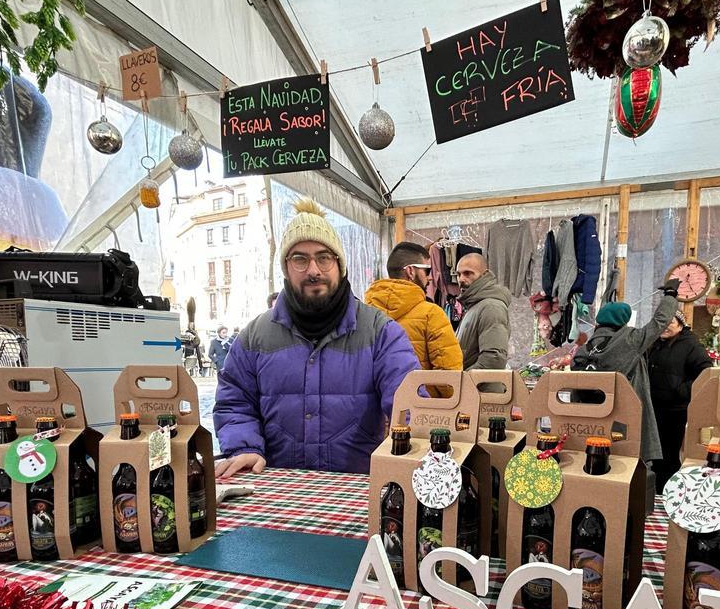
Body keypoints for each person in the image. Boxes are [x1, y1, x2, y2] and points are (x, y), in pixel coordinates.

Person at [214, 197, 419, 479]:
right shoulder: (255, 336)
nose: (313, 270)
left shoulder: (381, 333)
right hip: (276, 489)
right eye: (300, 259)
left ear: (339, 265)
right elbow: (235, 401)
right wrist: (244, 447)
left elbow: (410, 405)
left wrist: (410, 455)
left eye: (324, 257)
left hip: (358, 489)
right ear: (286, 268)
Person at [570, 278, 681, 463]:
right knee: (631, 464)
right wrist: (670, 295)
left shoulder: (585, 349)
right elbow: (660, 321)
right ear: (624, 321)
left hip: (591, 423)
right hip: (625, 421)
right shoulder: (631, 340)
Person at [364, 242, 463, 375]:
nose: (430, 277)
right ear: (410, 271)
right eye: (427, 271)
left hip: (379, 396)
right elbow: (450, 378)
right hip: (420, 395)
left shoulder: (365, 314)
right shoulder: (431, 315)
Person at [647, 310, 713, 493]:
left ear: (681, 324)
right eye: (662, 321)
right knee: (656, 454)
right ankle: (657, 493)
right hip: (655, 406)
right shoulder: (657, 343)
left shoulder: (691, 344)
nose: (666, 325)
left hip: (675, 409)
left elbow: (706, 372)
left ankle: (668, 492)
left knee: (668, 454)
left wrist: (681, 390)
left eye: (671, 322)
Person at [455, 252, 511, 370]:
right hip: (474, 386)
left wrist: (461, 381)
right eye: (458, 274)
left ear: (484, 275)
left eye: (468, 273)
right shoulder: (475, 306)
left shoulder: (491, 307)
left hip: (481, 387)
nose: (461, 279)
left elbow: (494, 359)